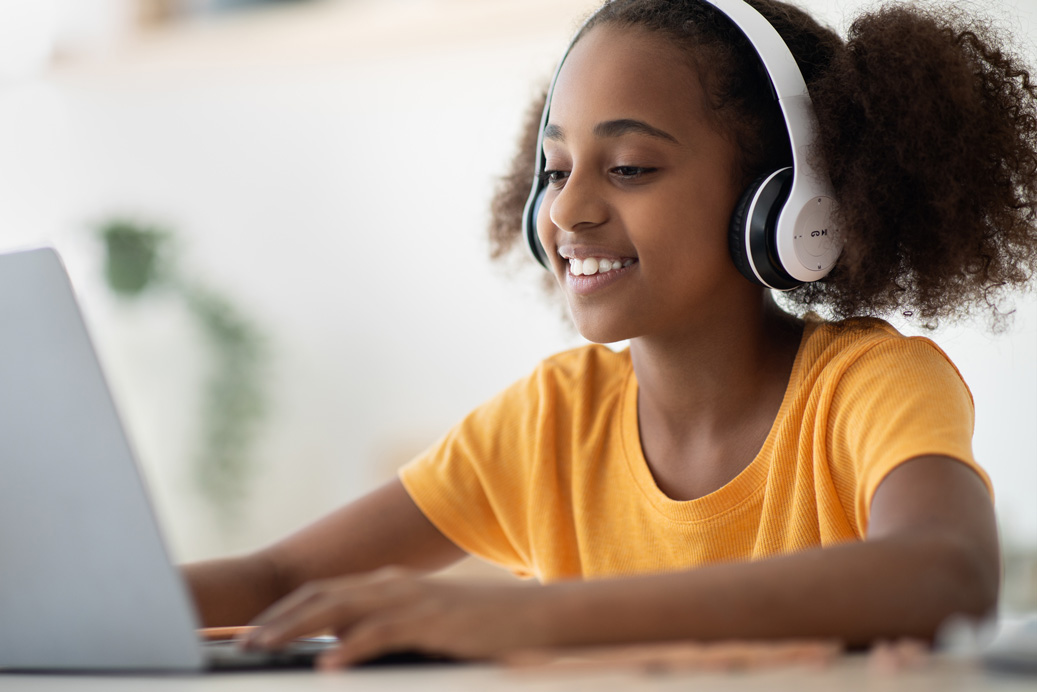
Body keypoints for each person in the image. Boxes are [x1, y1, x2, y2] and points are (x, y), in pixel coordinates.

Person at [184, 0, 1037, 669]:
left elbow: (945, 571)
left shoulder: (865, 387)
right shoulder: (551, 423)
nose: (566, 209)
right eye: (554, 170)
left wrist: (527, 619)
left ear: (785, 204)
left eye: (628, 167)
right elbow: (280, 581)